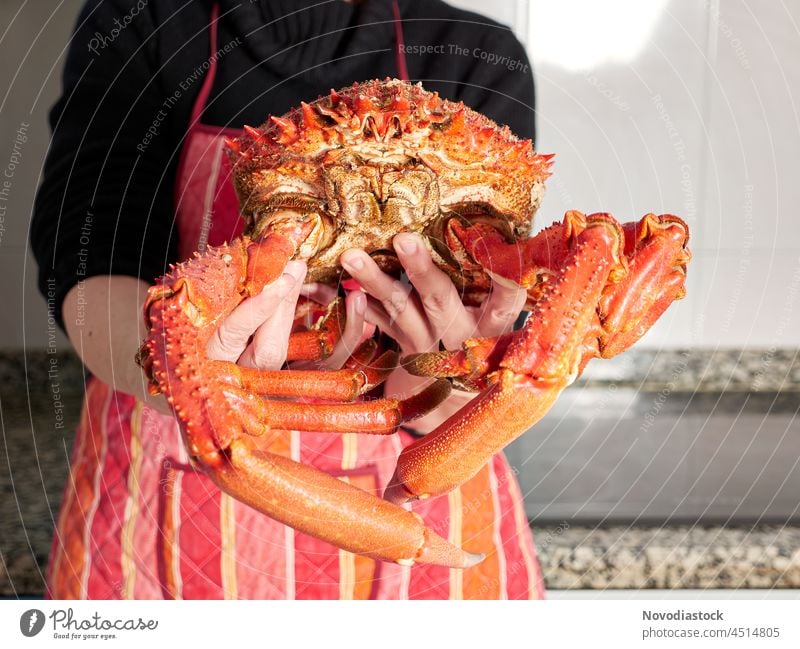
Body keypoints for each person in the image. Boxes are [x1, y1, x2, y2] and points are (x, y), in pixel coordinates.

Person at [31, 0, 545, 599]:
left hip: (425, 479)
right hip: (169, 442)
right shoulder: (141, 19)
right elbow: (90, 250)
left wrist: (449, 381)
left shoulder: (477, 52)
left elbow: (493, 335)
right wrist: (184, 369)